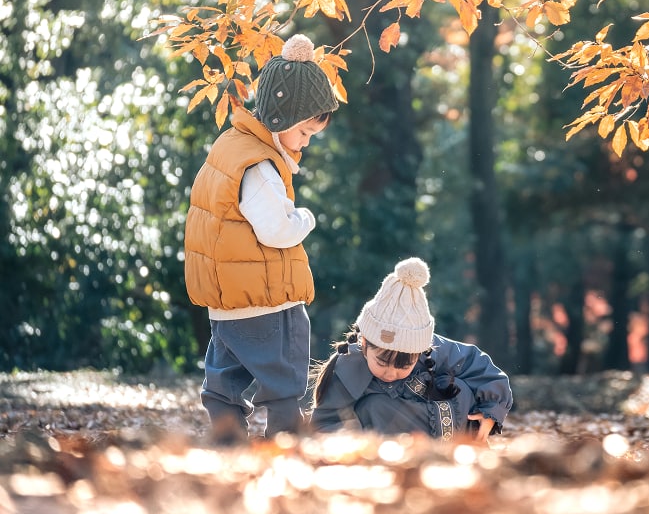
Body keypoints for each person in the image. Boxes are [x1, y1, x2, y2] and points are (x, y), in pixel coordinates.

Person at [184, 33, 339, 442]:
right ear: (281, 119)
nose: (306, 142)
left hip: (228, 304)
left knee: (224, 380)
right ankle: (284, 445)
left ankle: (227, 439)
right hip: (267, 303)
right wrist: (304, 218)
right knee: (285, 381)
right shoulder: (260, 169)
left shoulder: (232, 147)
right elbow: (276, 230)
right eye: (304, 132)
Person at [309, 257, 513, 443]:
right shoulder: (349, 368)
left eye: (404, 365)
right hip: (387, 445)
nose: (391, 372)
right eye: (382, 362)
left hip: (453, 437)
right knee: (373, 406)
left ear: (420, 351)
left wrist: (490, 413)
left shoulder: (434, 350)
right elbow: (328, 421)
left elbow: (484, 370)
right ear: (364, 344)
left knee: (459, 385)